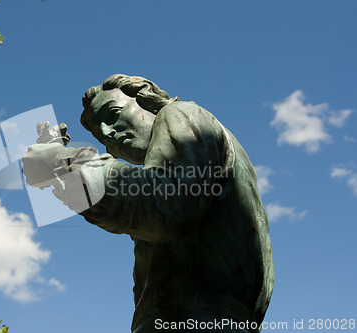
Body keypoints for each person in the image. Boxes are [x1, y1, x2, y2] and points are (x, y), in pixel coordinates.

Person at [22, 74, 274, 333]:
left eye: (113, 114)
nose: (109, 133)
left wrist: (62, 164)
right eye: (101, 136)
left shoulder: (179, 113)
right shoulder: (196, 159)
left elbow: (164, 204)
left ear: (147, 101)